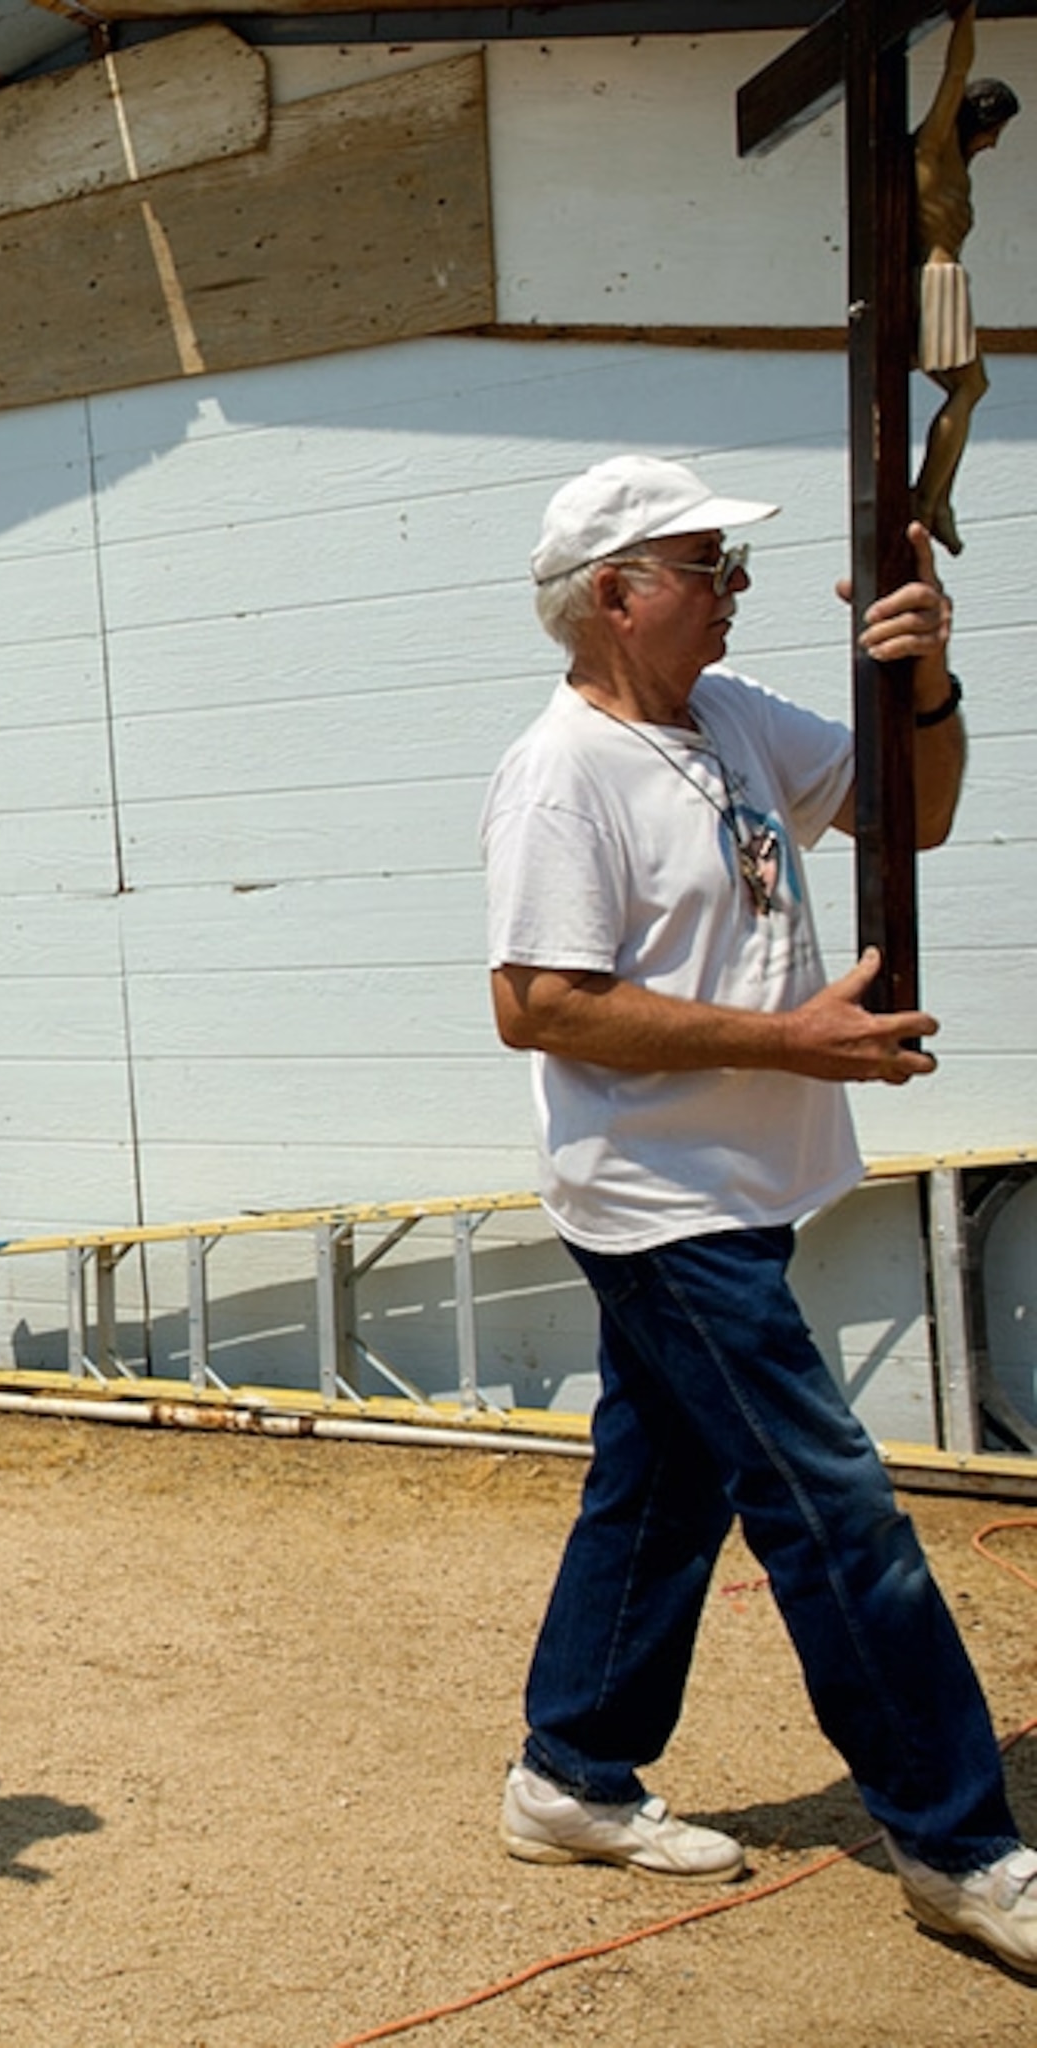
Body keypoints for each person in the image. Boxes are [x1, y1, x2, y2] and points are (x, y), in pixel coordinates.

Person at [483, 455, 1028, 1965]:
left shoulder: (723, 719)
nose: (734, 592)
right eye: (705, 567)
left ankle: (571, 1775)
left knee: (662, 1489)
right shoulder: (562, 773)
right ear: (614, 595)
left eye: (730, 567)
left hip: (747, 1185)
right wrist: (799, 1042)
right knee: (834, 1509)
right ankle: (960, 1845)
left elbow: (906, 816)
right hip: (661, 1206)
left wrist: (924, 680)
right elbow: (538, 1005)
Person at [911, 2, 1019, 554]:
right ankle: (929, 497)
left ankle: (938, 498)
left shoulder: (951, 162)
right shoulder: (935, 150)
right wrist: (966, 14)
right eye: (995, 130)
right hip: (938, 278)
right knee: (971, 386)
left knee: (966, 388)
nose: (995, 143)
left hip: (941, 279)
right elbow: (955, 74)